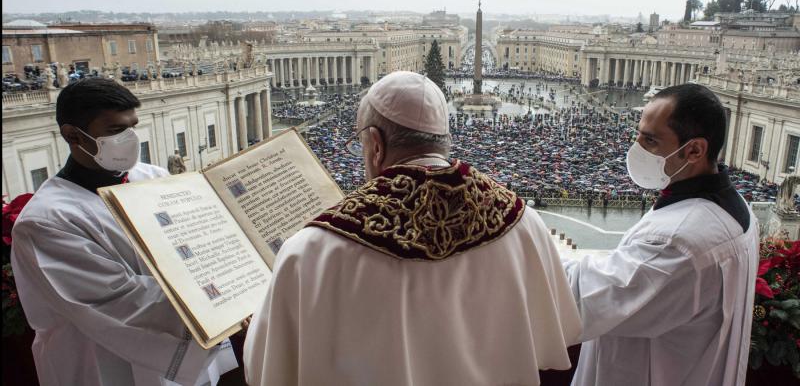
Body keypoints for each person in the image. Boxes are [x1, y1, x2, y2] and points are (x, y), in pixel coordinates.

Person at [244, 71, 580, 385]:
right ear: (444, 139)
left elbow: (263, 367)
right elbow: (557, 340)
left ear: (376, 145)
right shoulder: (522, 224)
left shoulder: (312, 252)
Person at [11, 78, 237, 386]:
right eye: (116, 130)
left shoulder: (153, 178)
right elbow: (120, 300)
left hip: (187, 352)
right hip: (102, 364)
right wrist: (224, 296)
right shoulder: (46, 222)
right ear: (73, 136)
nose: (130, 138)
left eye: (132, 126)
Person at [563, 84, 759, 386]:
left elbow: (582, 299)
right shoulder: (739, 210)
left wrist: (517, 236)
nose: (636, 148)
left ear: (694, 150)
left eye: (650, 140)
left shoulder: (676, 242)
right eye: (638, 135)